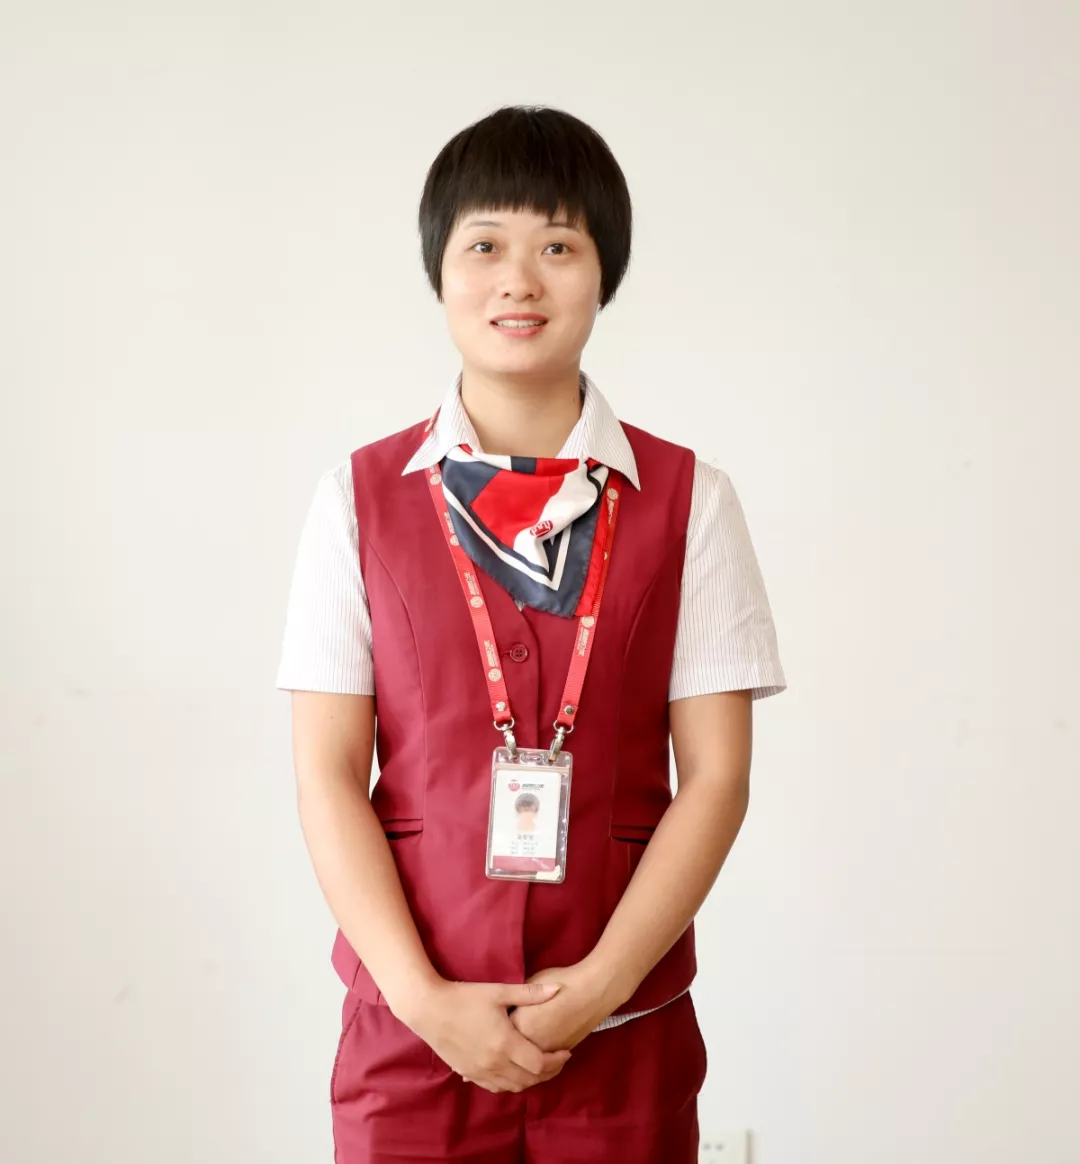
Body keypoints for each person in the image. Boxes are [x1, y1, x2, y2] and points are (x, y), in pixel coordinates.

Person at [276, 104, 786, 1164]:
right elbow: (326, 776)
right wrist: (424, 1000)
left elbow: (718, 778)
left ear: (604, 275)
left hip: (623, 1030)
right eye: (485, 247)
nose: (519, 280)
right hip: (410, 1036)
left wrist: (599, 987)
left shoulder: (691, 501)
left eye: (558, 246)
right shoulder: (355, 501)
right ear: (439, 272)